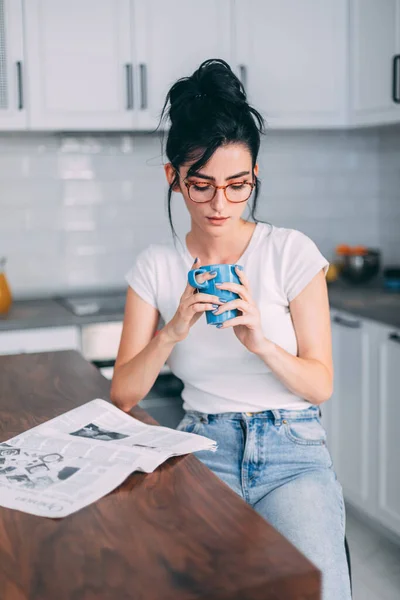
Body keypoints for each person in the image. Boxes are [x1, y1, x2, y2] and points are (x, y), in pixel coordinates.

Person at [111, 59, 352, 600]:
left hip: (293, 452)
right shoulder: (155, 266)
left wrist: (261, 342)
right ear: (173, 178)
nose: (220, 204)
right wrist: (172, 330)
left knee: (315, 592)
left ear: (254, 178)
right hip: (204, 448)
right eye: (202, 186)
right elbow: (123, 394)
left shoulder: (291, 252)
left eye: (237, 185)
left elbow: (320, 385)